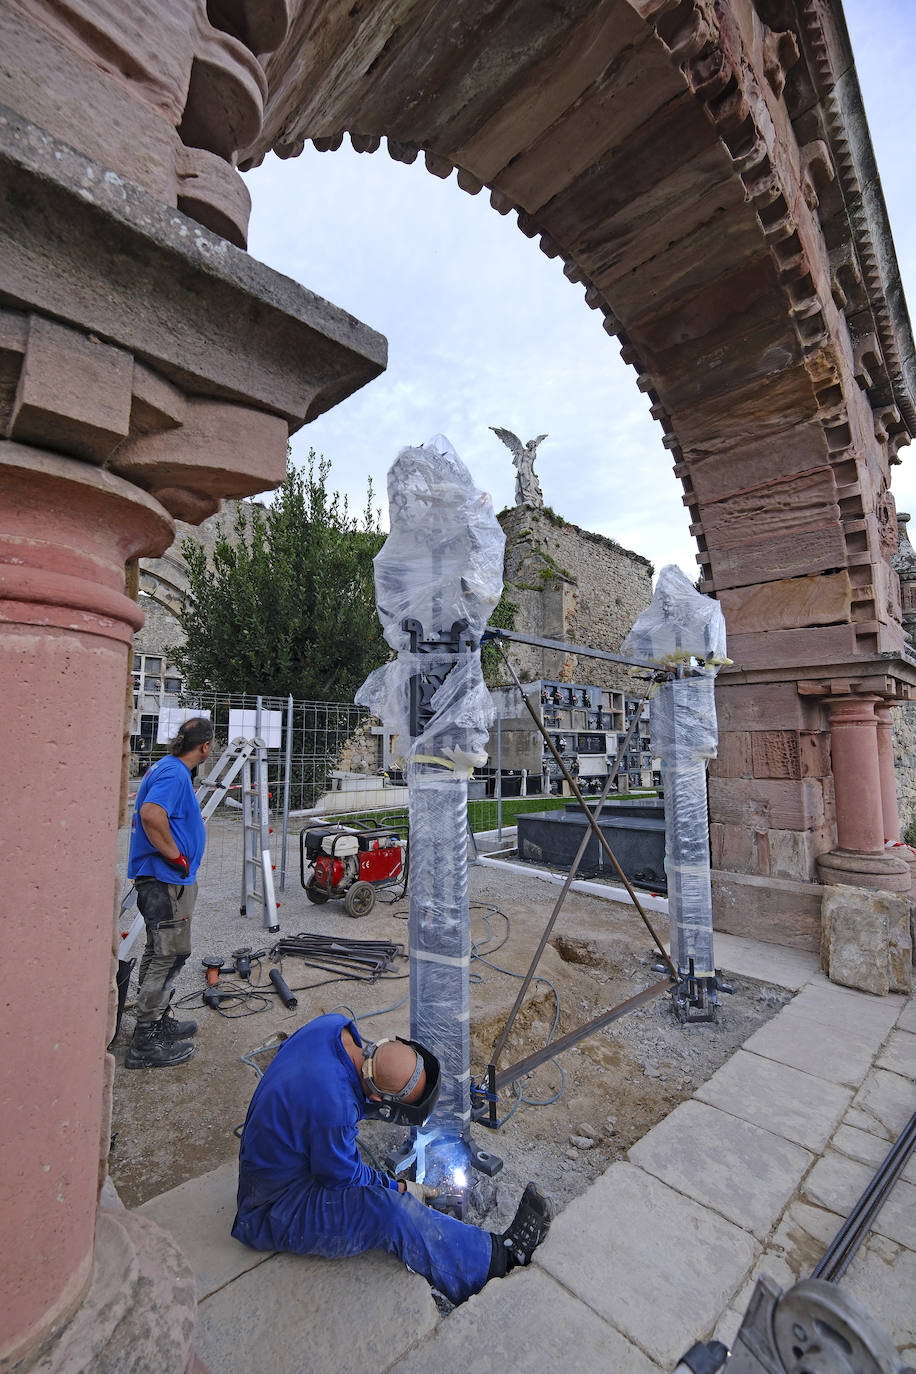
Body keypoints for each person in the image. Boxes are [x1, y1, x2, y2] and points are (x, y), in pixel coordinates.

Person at [232, 1012, 551, 1306]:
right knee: (389, 1212)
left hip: (275, 1160)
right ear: (376, 1100)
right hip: (273, 1207)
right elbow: (344, 1178)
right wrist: (399, 1188)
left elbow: (334, 1100)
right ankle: (498, 1264)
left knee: (375, 1190)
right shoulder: (334, 1110)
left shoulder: (332, 1026)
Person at [124, 715, 214, 1068]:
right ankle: (145, 1039)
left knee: (159, 949)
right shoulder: (175, 773)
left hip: (162, 879)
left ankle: (157, 1019)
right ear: (205, 746)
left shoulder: (168, 767)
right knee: (171, 953)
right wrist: (176, 856)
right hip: (165, 880)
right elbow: (151, 814)